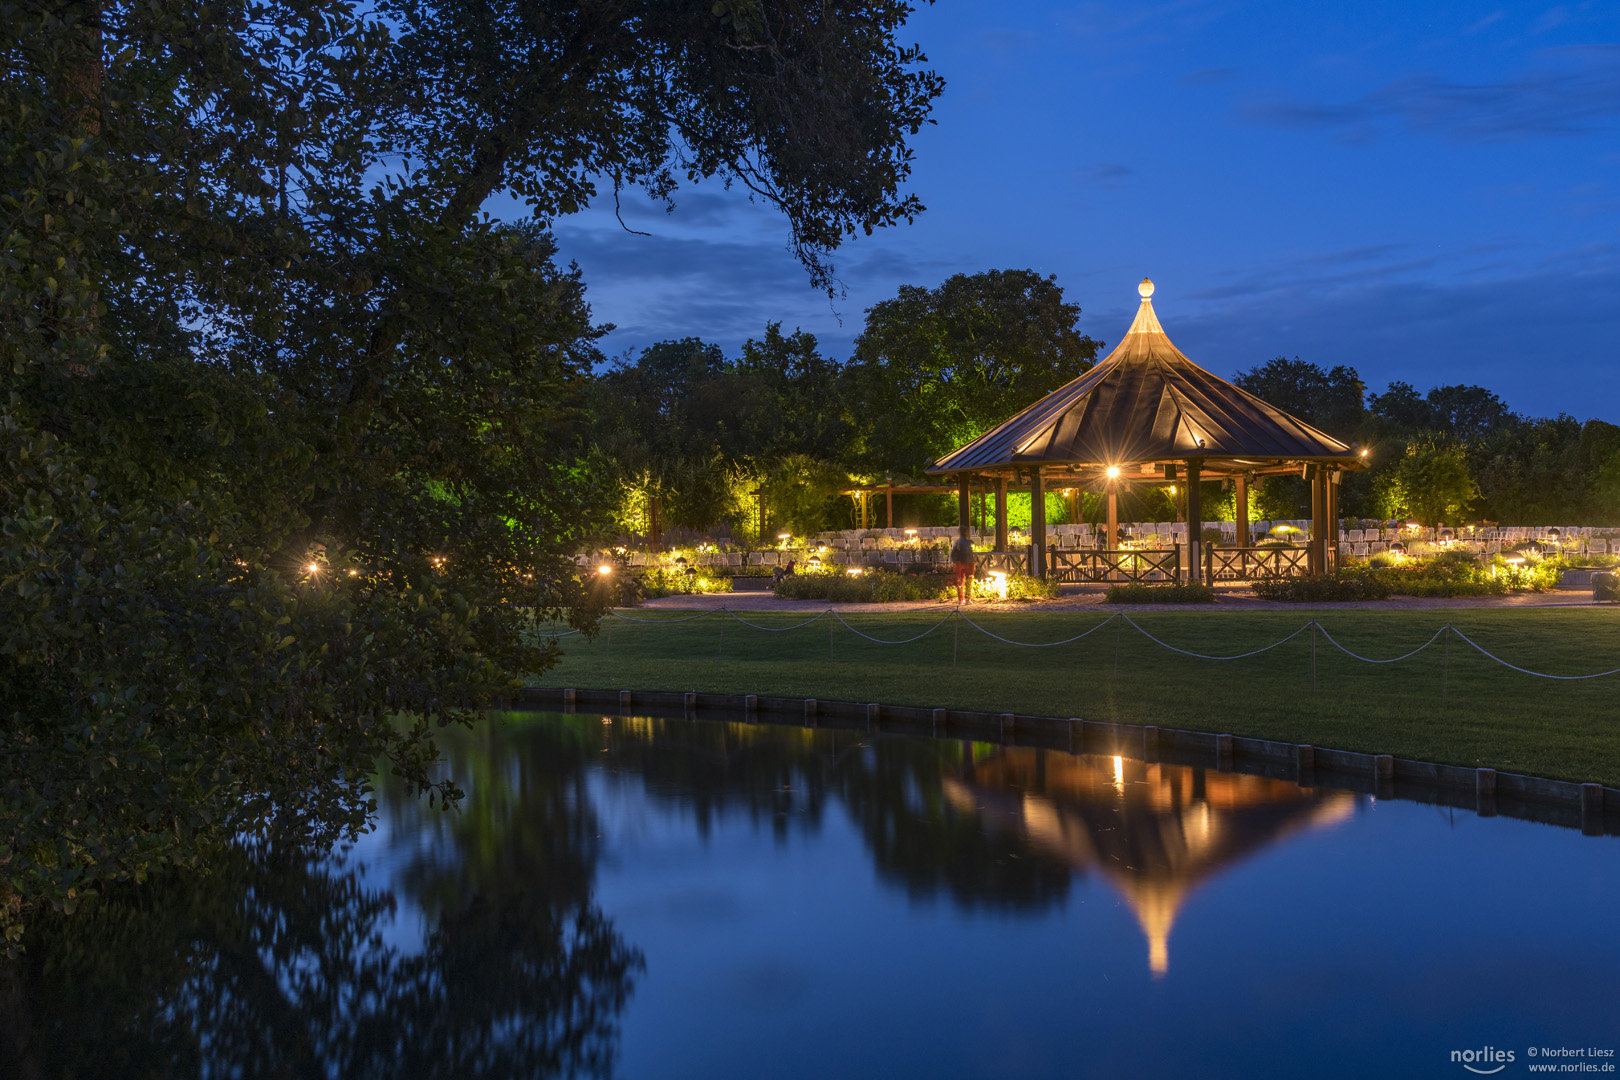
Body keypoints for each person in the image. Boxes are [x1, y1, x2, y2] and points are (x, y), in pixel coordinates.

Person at [949, 527, 975, 605]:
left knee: (960, 581)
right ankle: (968, 599)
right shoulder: (970, 542)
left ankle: (961, 599)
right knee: (968, 581)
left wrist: (954, 561)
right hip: (968, 562)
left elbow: (953, 553)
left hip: (959, 563)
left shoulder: (957, 542)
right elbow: (973, 553)